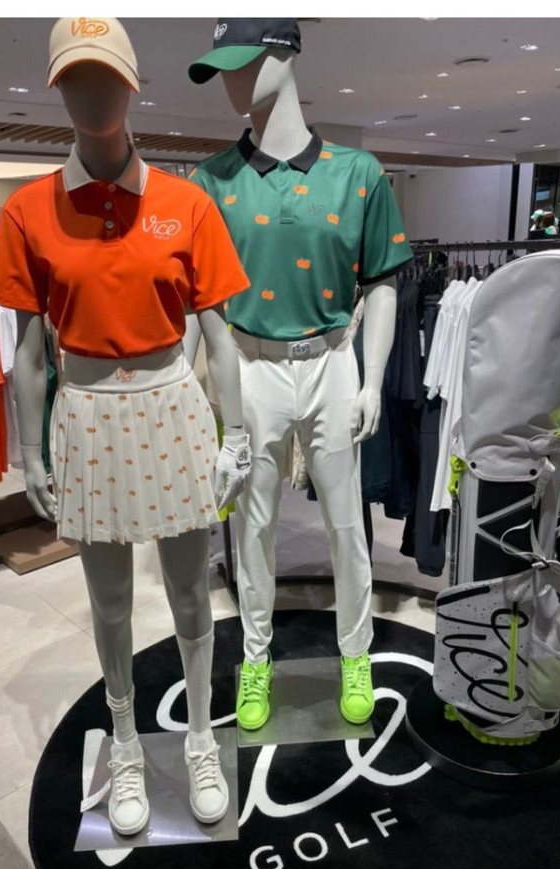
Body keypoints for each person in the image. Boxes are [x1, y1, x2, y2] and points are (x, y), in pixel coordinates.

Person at [0, 18, 252, 836]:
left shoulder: (186, 202)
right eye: (73, 78)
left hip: (173, 405)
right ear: (55, 88)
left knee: (191, 594)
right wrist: (32, 453)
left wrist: (237, 434)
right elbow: (29, 353)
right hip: (88, 412)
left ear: (133, 84)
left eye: (104, 76)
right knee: (108, 604)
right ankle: (128, 743)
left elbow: (220, 337)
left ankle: (200, 739)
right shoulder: (27, 211)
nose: (90, 93)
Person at [188, 19, 414, 731]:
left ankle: (356, 653)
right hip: (249, 367)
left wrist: (372, 379)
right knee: (252, 525)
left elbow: (382, 281)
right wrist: (202, 392)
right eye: (221, 68)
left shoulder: (358, 172)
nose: (230, 82)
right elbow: (201, 303)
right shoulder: (210, 181)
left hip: (332, 362)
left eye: (242, 63)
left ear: (285, 53)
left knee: (347, 523)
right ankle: (255, 659)